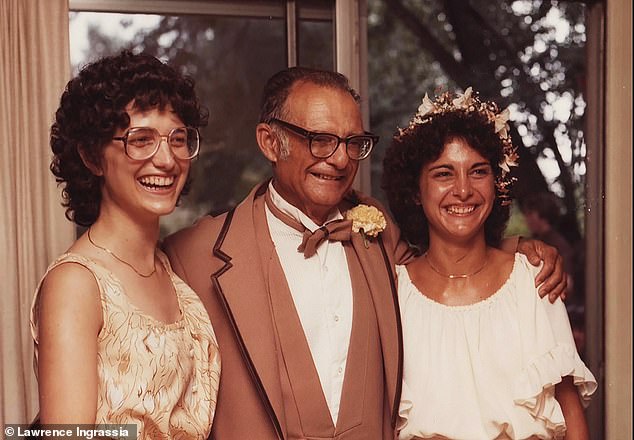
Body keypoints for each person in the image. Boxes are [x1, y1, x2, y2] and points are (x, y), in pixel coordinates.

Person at [163, 67, 567, 439]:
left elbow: (446, 264)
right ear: (271, 142)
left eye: (353, 143)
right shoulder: (192, 257)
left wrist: (516, 250)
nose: (339, 160)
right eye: (320, 140)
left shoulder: (378, 231)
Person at [382, 88, 597, 439]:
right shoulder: (393, 293)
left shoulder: (534, 280)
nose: (464, 190)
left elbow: (572, 418)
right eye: (443, 174)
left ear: (496, 185)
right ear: (414, 192)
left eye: (478, 171)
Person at [30, 51, 220, 438]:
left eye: (178, 139)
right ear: (91, 155)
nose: (167, 159)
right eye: (141, 140)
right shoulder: (77, 285)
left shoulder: (171, 273)